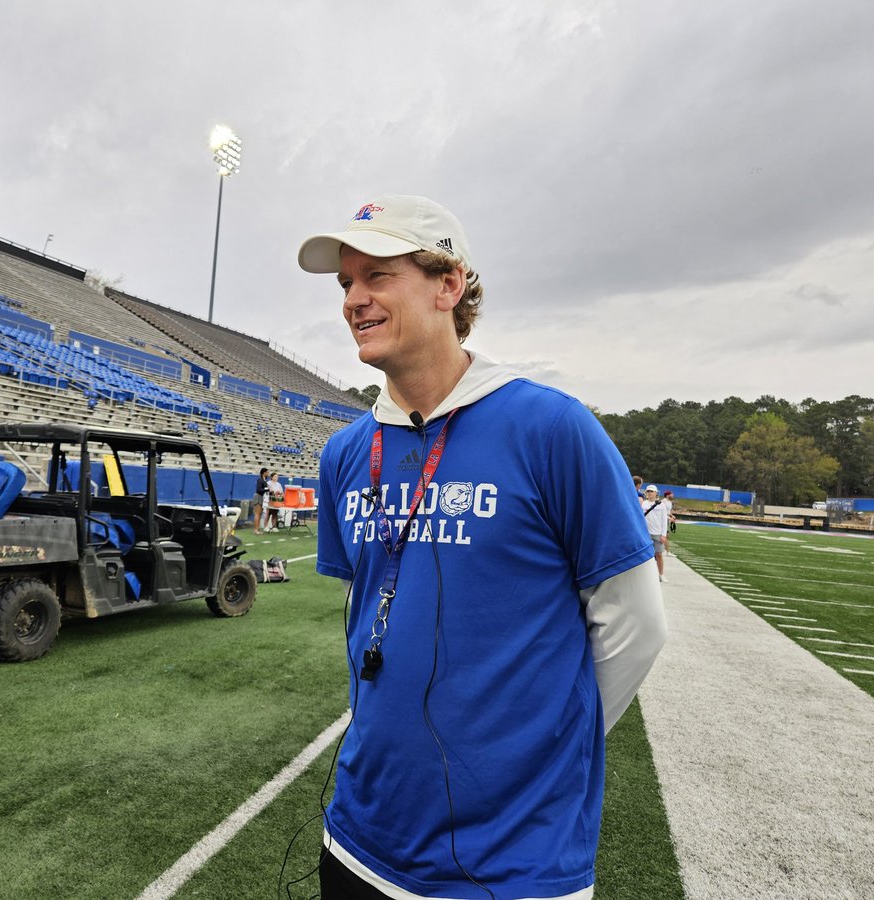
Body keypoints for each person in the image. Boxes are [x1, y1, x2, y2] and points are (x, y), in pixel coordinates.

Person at [298, 195, 668, 898]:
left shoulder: (552, 428)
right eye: (346, 282)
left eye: (377, 275)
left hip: (511, 865)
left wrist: (535, 757)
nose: (354, 299)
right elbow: (365, 610)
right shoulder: (346, 452)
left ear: (449, 284)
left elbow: (636, 626)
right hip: (357, 842)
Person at [641, 485, 670, 581]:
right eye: (648, 491)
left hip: (657, 533)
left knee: (659, 554)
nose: (649, 493)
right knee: (645, 556)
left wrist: (663, 535)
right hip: (645, 533)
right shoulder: (643, 504)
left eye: (651, 491)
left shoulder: (661, 505)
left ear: (656, 493)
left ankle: (661, 574)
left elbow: (664, 520)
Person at [252, 467, 270, 534]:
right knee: (257, 514)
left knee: (259, 514)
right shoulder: (260, 480)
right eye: (267, 472)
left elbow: (265, 490)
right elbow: (258, 489)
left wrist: (271, 492)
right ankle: (256, 530)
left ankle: (257, 529)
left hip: (263, 497)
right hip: (258, 497)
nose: (268, 474)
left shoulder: (265, 481)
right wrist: (267, 490)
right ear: (264, 473)